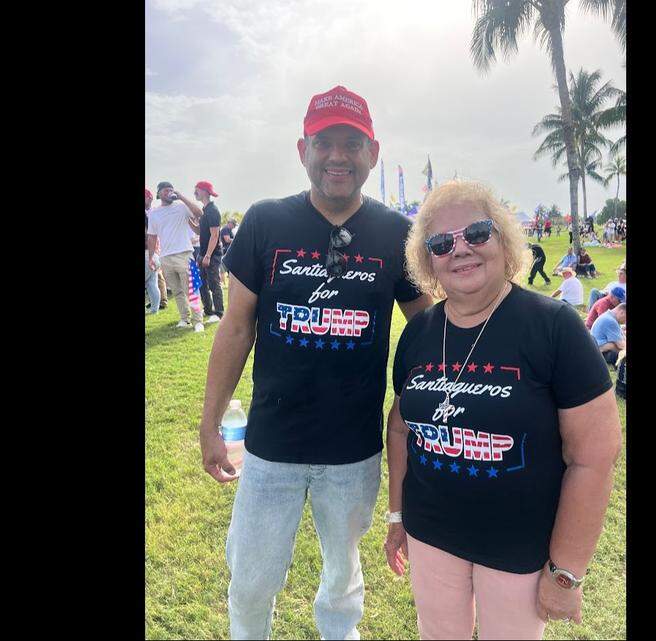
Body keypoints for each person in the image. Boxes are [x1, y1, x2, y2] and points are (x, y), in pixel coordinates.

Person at [196, 85, 434, 640]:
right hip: (271, 447)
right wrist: (209, 425)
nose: (337, 157)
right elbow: (235, 328)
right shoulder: (264, 222)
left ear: (372, 154)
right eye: (324, 142)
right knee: (251, 580)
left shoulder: (395, 234)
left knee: (342, 581)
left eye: (352, 144)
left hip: (352, 451)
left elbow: (428, 325)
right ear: (302, 149)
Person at [384, 180, 623, 640]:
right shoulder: (418, 334)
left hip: (520, 547)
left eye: (477, 232)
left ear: (504, 239)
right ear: (426, 260)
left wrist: (566, 572)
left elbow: (594, 457)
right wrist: (397, 517)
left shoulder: (554, 328)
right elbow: (400, 429)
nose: (460, 250)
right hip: (431, 533)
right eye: (440, 243)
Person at [147, 181, 204, 329]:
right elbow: (152, 236)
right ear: (159, 193)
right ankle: (185, 319)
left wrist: (182, 197)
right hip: (165, 257)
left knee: (192, 289)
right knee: (177, 291)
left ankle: (198, 321)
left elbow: (199, 213)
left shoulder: (182, 206)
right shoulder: (154, 213)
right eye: (166, 190)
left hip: (185, 254)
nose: (169, 192)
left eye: (171, 190)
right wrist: (151, 257)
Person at [195, 180, 226, 323]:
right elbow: (200, 232)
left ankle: (219, 312)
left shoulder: (213, 210)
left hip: (212, 255)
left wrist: (207, 255)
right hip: (202, 254)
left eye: (197, 189)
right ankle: (208, 310)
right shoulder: (204, 210)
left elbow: (214, 235)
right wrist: (188, 221)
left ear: (206, 192)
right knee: (202, 284)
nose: (195, 192)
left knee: (214, 284)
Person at [146, 188, 161, 314]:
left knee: (152, 283)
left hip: (148, 253)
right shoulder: (152, 214)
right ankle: (154, 310)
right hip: (154, 253)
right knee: (152, 283)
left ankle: (154, 309)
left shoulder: (149, 215)